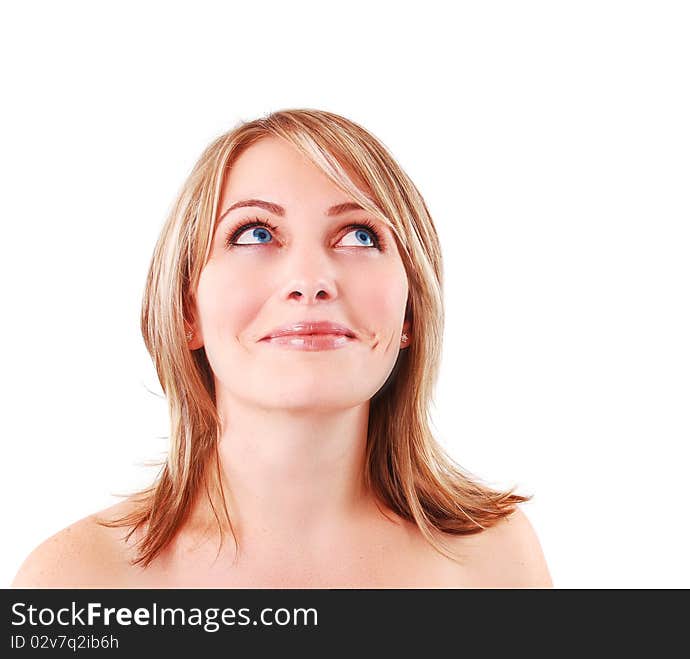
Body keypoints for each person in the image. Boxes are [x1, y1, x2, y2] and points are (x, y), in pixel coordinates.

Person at [13, 109, 552, 588]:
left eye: (360, 235)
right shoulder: (75, 584)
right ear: (186, 310)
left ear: (410, 310)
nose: (311, 280)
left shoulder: (495, 562)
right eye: (254, 233)